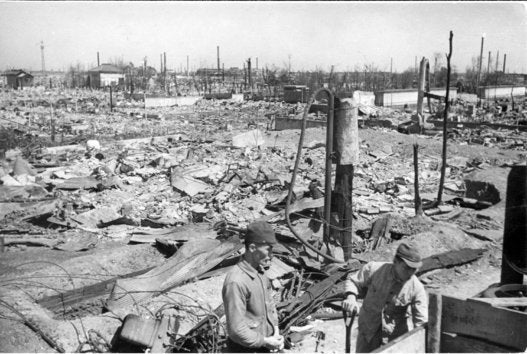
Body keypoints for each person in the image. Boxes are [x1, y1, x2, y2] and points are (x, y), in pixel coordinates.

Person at [342, 243, 428, 353]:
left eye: (414, 269)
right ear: (395, 262)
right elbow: (353, 281)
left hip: (394, 340)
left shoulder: (416, 288)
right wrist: (351, 297)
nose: (411, 273)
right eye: (407, 268)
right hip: (368, 332)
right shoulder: (374, 269)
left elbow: (421, 323)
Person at [222, 221, 284, 353]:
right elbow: (236, 330)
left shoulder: (260, 273)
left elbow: (270, 306)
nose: (271, 255)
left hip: (266, 345)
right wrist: (266, 341)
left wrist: (276, 333)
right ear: (252, 248)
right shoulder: (236, 281)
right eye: (268, 249)